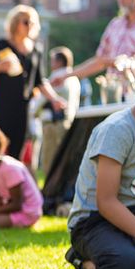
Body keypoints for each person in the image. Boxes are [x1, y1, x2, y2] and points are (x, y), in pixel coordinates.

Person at [65, 46, 135, 269]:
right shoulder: (117, 131)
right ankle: (79, 257)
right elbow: (105, 202)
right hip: (95, 221)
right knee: (128, 268)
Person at [54, 0, 135, 103]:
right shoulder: (115, 25)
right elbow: (99, 61)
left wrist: (125, 63)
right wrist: (65, 76)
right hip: (112, 97)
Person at [0, 5, 66, 160]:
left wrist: (55, 99)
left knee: (17, 149)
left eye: (32, 23)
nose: (30, 26)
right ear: (15, 23)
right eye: (26, 22)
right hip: (1, 105)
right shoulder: (2, 45)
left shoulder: (36, 50)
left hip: (22, 107)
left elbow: (40, 81)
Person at [39, 46, 80, 175]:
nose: (51, 64)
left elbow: (41, 99)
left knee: (50, 161)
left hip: (54, 123)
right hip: (69, 122)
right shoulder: (75, 78)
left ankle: (49, 191)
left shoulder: (57, 77)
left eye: (53, 61)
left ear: (59, 62)